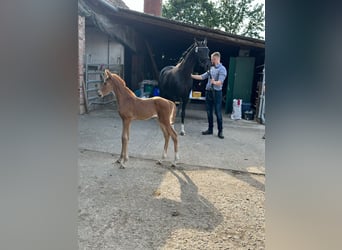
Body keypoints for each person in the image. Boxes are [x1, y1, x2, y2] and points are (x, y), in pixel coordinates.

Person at [191, 52, 227, 139]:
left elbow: (220, 82)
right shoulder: (211, 69)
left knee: (217, 112)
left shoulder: (222, 69)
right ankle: (210, 129)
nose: (211, 61)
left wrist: (214, 82)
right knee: (208, 112)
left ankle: (220, 131)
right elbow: (202, 77)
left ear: (216, 59)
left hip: (217, 93)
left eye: (212, 59)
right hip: (208, 92)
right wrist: (191, 75)